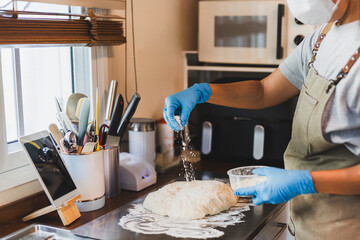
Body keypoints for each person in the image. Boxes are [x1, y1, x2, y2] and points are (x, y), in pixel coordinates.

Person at [163, 0, 360, 239]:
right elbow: (265, 90)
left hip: (345, 226)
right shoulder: (323, 35)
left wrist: (304, 181)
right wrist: (203, 92)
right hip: (304, 219)